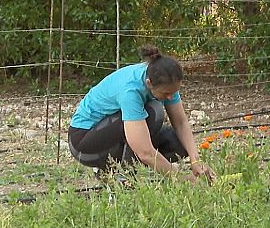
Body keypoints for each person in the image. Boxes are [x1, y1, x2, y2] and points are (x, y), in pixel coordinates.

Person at [68, 44, 214, 182]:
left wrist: (196, 160)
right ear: (149, 83)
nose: (170, 97)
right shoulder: (130, 90)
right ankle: (123, 176)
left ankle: (114, 171)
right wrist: (181, 178)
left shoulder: (166, 80)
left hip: (111, 130)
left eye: (174, 92)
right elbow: (145, 152)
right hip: (83, 143)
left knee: (178, 144)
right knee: (154, 113)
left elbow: (181, 124)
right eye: (167, 93)